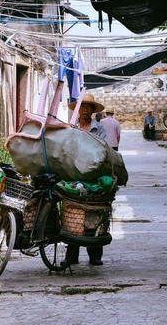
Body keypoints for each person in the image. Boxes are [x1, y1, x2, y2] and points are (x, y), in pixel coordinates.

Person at [66, 93, 107, 265]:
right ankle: (71, 255)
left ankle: (95, 255)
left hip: (93, 173)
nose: (84, 110)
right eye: (82, 107)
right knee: (72, 213)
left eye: (88, 107)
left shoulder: (100, 129)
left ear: (92, 111)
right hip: (74, 173)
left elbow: (103, 150)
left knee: (94, 211)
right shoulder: (72, 128)